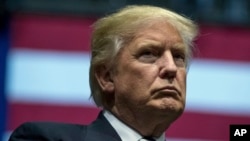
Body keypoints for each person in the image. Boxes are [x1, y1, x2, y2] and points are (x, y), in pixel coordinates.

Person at [9, 5, 198, 141]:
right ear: (107, 77)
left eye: (178, 57)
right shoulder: (42, 138)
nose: (172, 68)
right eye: (148, 53)